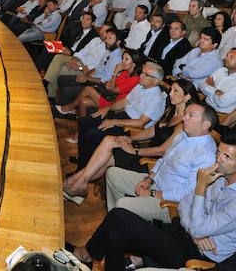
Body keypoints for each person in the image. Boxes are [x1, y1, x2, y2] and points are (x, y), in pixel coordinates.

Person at [72, 134, 236, 270]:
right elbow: (184, 204)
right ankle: (87, 254)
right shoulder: (220, 177)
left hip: (195, 256)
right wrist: (193, 231)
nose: (218, 160)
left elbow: (197, 224)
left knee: (118, 218)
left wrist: (200, 190)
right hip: (183, 234)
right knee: (116, 233)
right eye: (218, 153)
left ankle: (86, 253)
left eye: (226, 157)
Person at [62, 78, 198, 201]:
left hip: (152, 163)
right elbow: (150, 131)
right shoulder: (170, 111)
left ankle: (73, 183)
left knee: (108, 156)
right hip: (142, 150)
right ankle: (77, 184)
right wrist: (129, 138)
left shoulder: (184, 124)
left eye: (176, 91)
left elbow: (163, 151)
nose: (170, 94)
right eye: (171, 90)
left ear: (187, 97)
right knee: (109, 143)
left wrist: (134, 151)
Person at [104, 102, 219, 220]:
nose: (184, 117)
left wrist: (153, 194)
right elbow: (163, 160)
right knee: (112, 174)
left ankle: (119, 219)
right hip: (155, 183)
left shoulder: (206, 155)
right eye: (185, 114)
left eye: (191, 115)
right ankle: (116, 222)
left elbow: (186, 194)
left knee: (122, 205)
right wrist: (149, 179)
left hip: (167, 203)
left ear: (206, 124)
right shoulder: (183, 135)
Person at [200, 48, 236, 113]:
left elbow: (222, 103)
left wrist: (212, 88)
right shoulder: (221, 70)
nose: (226, 58)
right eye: (227, 55)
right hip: (205, 103)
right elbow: (201, 85)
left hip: (218, 113)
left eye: (231, 57)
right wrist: (217, 92)